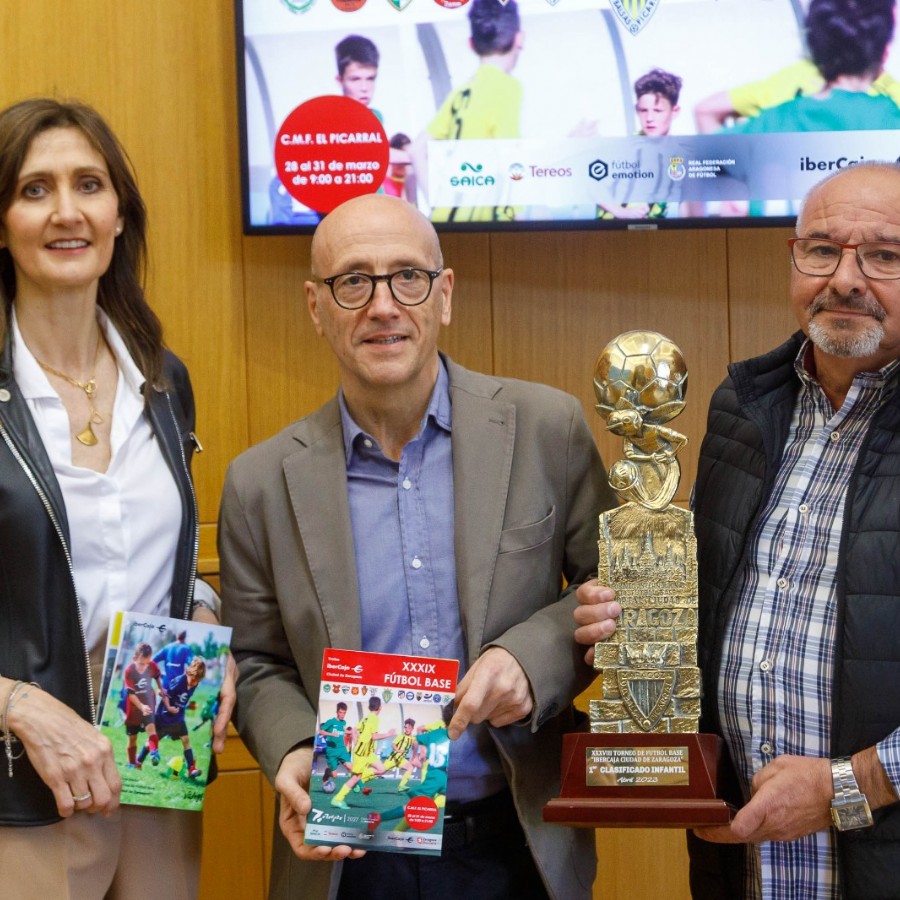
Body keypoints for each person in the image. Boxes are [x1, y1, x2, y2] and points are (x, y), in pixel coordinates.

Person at [219, 192, 614, 899]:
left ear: (445, 293)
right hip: (352, 851)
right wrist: (296, 748)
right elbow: (255, 659)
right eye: (353, 281)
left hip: (517, 842)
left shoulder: (547, 428)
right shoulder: (258, 482)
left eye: (408, 276)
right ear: (316, 307)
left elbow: (614, 592)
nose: (383, 305)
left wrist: (532, 658)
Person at [575, 162, 900, 898]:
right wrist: (633, 615)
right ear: (793, 260)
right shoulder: (742, 411)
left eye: (884, 255)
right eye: (821, 249)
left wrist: (851, 786)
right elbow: (714, 604)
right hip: (740, 869)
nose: (845, 278)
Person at [0, 97, 235, 900]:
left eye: (88, 184)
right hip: (21, 790)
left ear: (120, 214)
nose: (66, 211)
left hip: (158, 760)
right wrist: (19, 704)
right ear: (1, 223)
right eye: (34, 189)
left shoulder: (164, 384)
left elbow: (147, 555)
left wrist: (202, 614)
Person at [694, 0, 900, 133]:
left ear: (814, 43)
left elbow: (704, 113)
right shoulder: (891, 117)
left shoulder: (771, 123)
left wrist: (727, 190)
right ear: (884, 51)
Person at [411, 0, 524, 223]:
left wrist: (437, 202)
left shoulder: (462, 91)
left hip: (446, 219)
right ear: (520, 39)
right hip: (482, 222)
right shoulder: (508, 87)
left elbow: (416, 149)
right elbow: (510, 159)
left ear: (471, 44)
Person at [270, 34, 383, 226]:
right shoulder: (328, 117)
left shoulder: (376, 116)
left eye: (370, 78)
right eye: (355, 79)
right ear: (340, 80)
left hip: (371, 213)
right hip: (337, 216)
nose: (365, 88)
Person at [598, 67, 683, 221]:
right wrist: (622, 212)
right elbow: (592, 186)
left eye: (657, 111)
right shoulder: (626, 148)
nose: (649, 118)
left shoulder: (679, 153)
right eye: (643, 110)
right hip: (612, 233)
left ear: (675, 111)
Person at [147, 656, 208, 780]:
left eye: (197, 680)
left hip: (178, 717)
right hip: (165, 714)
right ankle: (139, 760)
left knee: (185, 740)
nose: (194, 682)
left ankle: (192, 769)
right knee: (154, 739)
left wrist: (187, 707)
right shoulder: (179, 681)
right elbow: (166, 695)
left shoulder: (195, 683)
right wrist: (169, 707)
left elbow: (185, 699)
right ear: (189, 672)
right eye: (193, 679)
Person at [330, 695, 395, 809]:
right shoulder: (374, 719)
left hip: (367, 752)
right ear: (379, 707)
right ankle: (338, 799)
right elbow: (374, 736)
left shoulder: (366, 718)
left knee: (382, 769)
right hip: (361, 754)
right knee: (355, 777)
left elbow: (355, 729)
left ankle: (360, 781)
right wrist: (388, 734)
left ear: (370, 707)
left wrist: (356, 740)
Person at [123, 643, 165, 769]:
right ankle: (132, 763)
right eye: (141, 664)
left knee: (151, 729)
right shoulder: (129, 671)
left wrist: (160, 689)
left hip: (149, 702)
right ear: (134, 658)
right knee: (132, 738)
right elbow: (131, 695)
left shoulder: (151, 665)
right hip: (134, 708)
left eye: (146, 664)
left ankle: (154, 753)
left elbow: (157, 676)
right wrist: (141, 707)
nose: (143, 668)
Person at [318, 700, 353, 783]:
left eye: (344, 713)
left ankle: (356, 786)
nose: (342, 715)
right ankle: (327, 772)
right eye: (340, 712)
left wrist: (352, 732)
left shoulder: (343, 722)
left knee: (350, 767)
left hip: (342, 749)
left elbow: (343, 731)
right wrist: (331, 734)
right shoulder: (331, 722)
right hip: (332, 751)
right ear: (337, 712)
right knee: (334, 776)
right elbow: (321, 731)